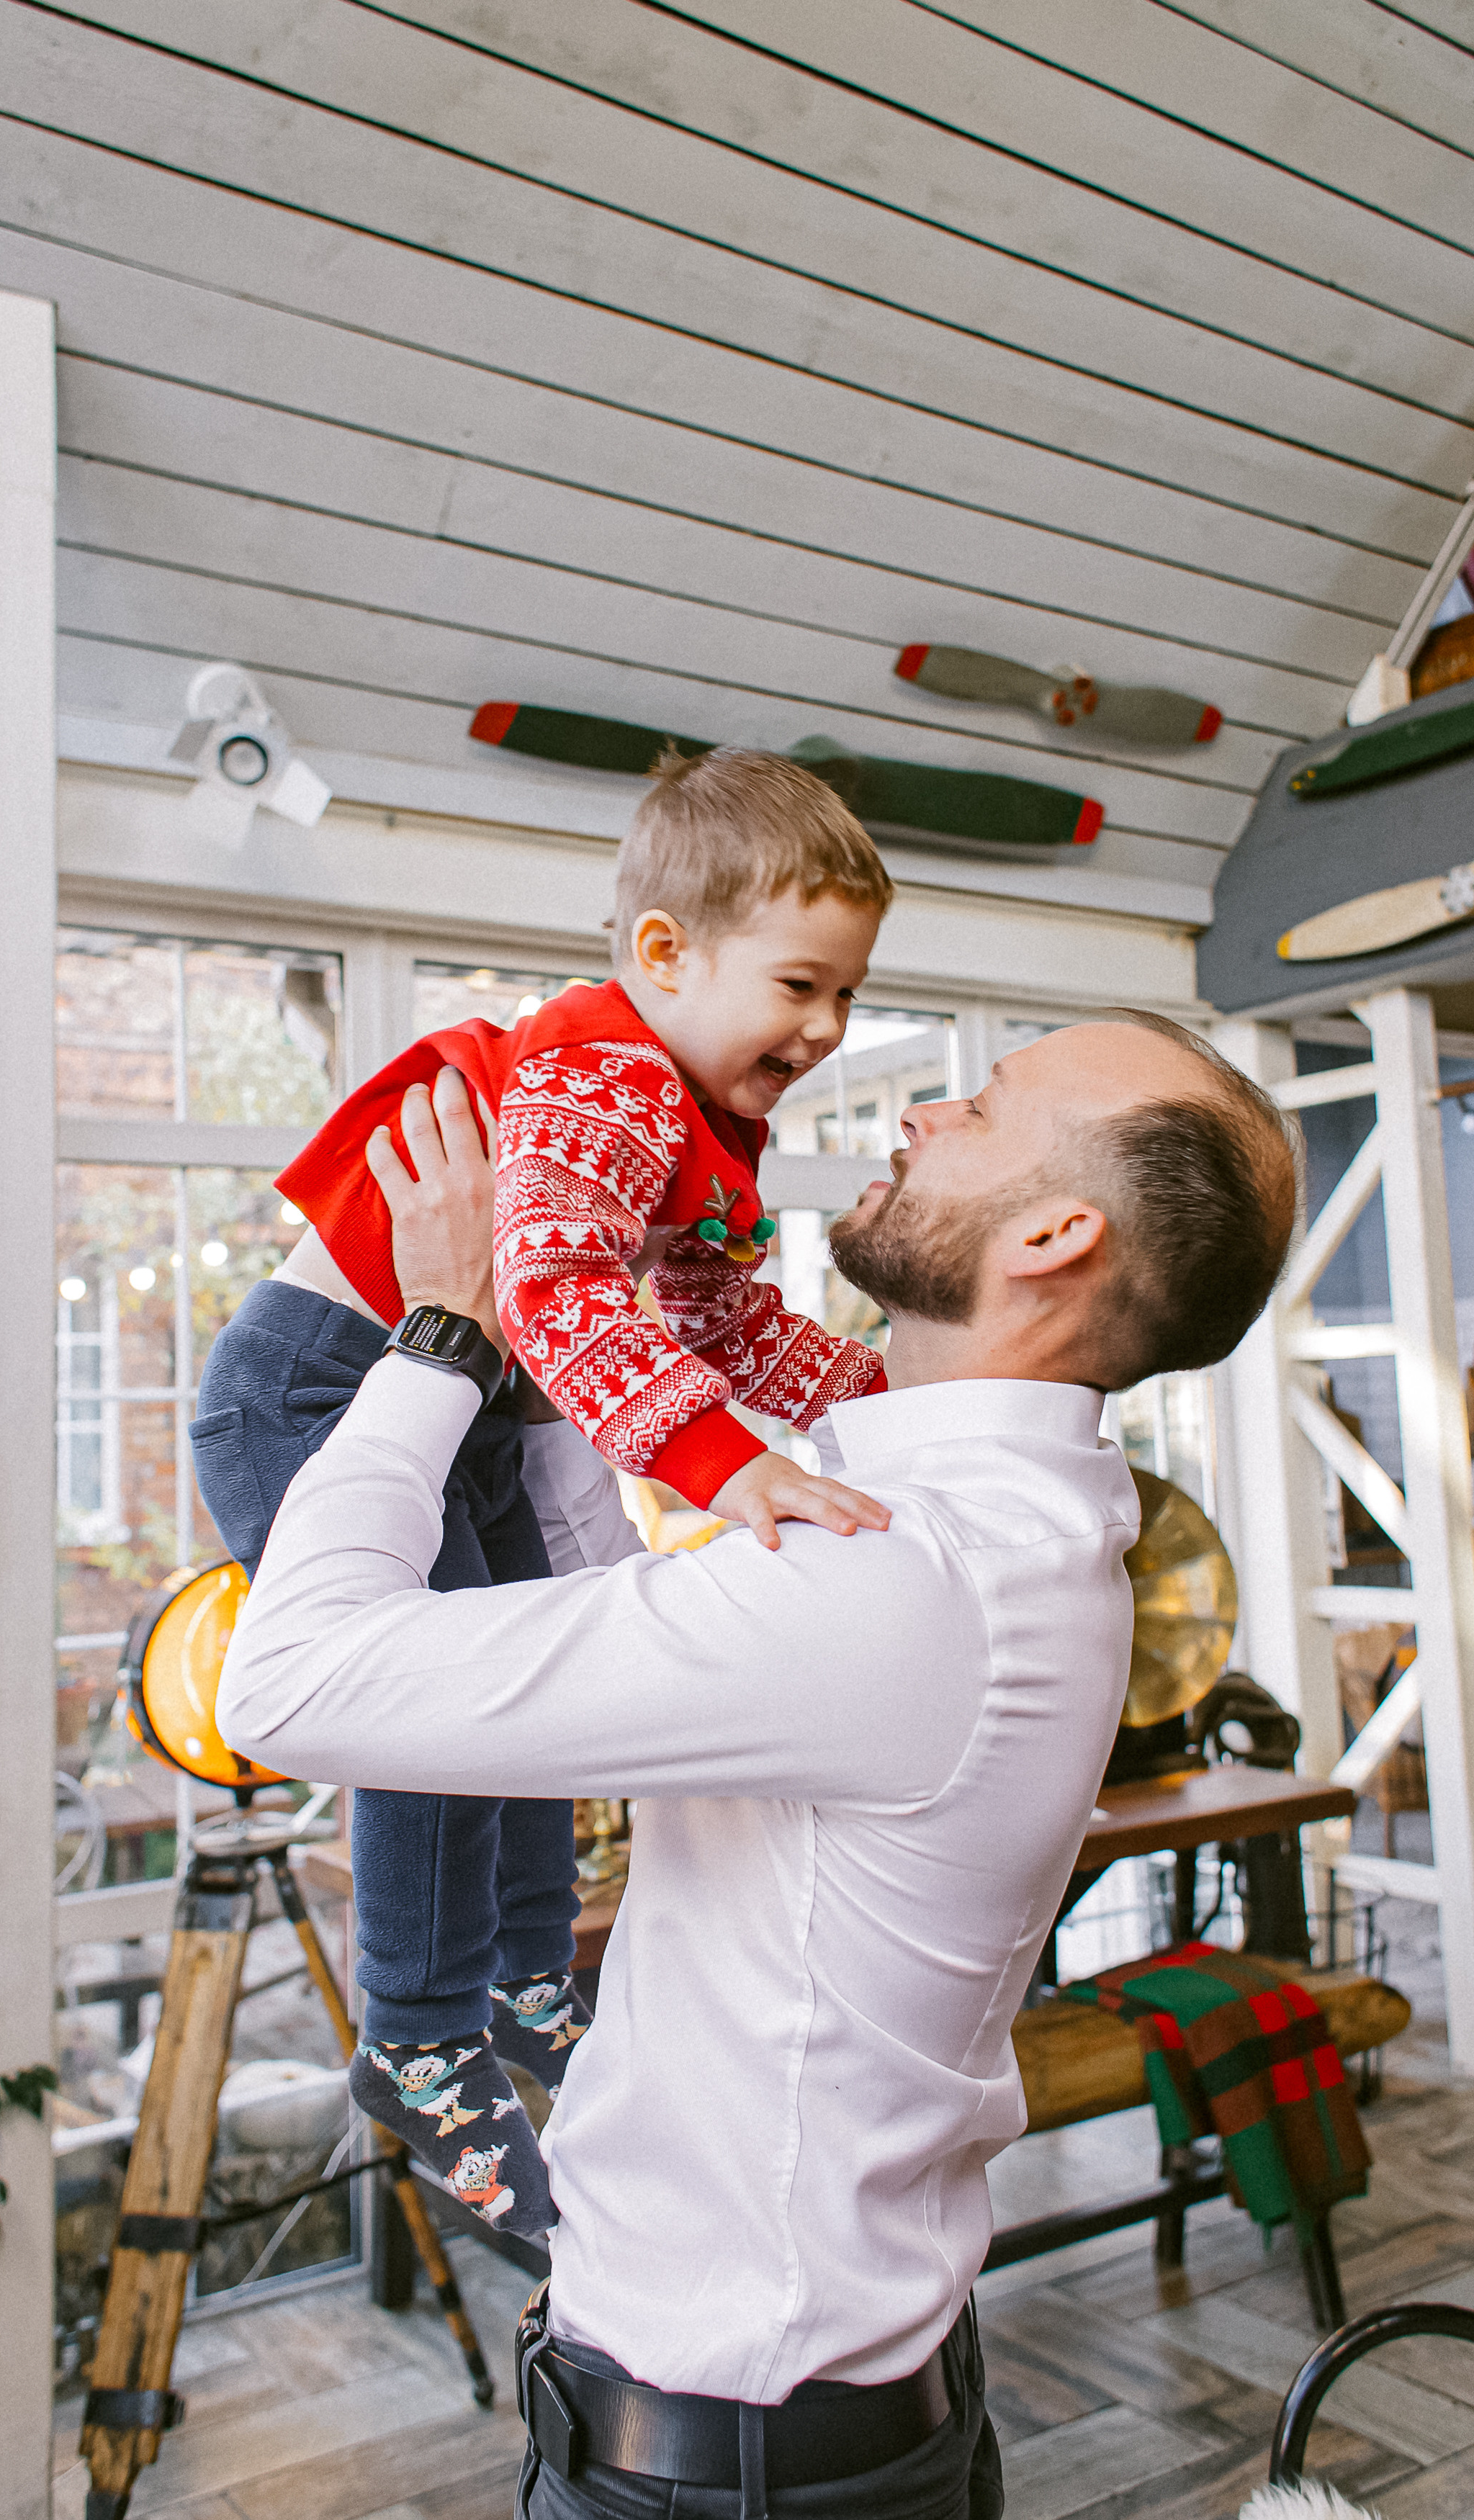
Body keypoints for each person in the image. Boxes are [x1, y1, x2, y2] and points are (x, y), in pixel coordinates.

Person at [218, 1010, 1297, 2520]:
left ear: (1056, 1236)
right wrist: (567, 1312)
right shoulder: (1013, 1520)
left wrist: (447, 1328)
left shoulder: (903, 1584)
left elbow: (288, 1680)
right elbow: (632, 1614)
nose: (919, 1113)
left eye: (981, 1108)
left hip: (725, 2467)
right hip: (815, 2412)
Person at [194, 750, 895, 2228]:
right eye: (799, 985)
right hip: (317, 1389)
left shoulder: (699, 1113)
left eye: (848, 992)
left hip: (468, 1408)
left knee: (531, 1692)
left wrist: (889, 1398)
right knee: (438, 1705)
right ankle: (416, 2030)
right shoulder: (607, 1081)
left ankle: (524, 1975)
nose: (829, 1027)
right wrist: (728, 1465)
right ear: (665, 952)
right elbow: (558, 1289)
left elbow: (722, 1319)